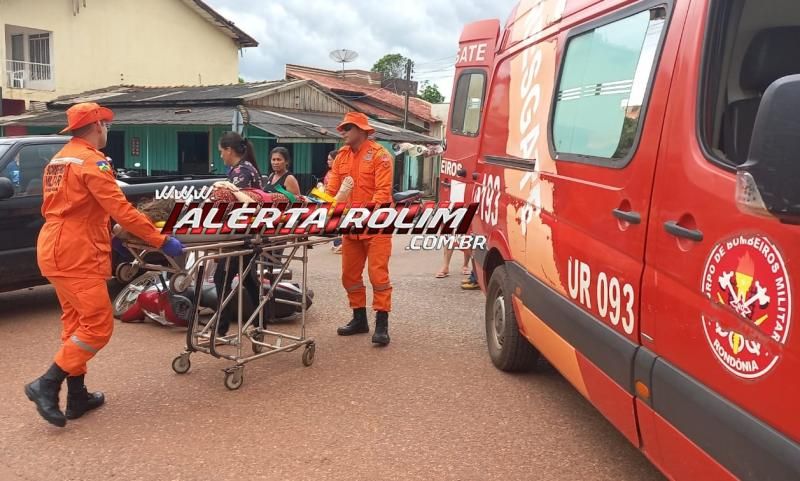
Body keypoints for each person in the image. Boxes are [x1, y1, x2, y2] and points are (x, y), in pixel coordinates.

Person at [25, 102, 185, 427]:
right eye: (106, 125)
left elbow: (76, 207)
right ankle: (47, 383)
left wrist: (109, 231)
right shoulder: (92, 162)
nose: (107, 130)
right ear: (98, 126)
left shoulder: (59, 160)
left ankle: (77, 396)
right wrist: (160, 240)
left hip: (55, 247)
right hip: (77, 252)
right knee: (98, 326)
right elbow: (121, 209)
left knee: (75, 324)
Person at [325, 112, 394, 345]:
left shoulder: (380, 155)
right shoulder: (341, 157)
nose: (343, 132)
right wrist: (324, 211)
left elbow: (382, 193)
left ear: (362, 131)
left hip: (376, 225)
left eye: (348, 128)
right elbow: (332, 192)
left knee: (378, 276)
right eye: (343, 128)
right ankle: (359, 319)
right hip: (351, 227)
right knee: (349, 276)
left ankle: (382, 325)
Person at [213, 132, 265, 337]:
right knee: (248, 279)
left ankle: (221, 328)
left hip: (242, 235)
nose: (221, 156)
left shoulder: (241, 171)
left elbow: (240, 204)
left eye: (221, 152)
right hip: (250, 233)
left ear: (229, 150)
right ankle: (261, 321)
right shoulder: (244, 168)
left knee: (221, 277)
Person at [324, 149, 342, 254]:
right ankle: (337, 243)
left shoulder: (338, 174)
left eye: (330, 159)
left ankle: (339, 244)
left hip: (337, 201)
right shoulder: (330, 172)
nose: (328, 161)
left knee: (337, 223)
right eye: (328, 159)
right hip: (329, 200)